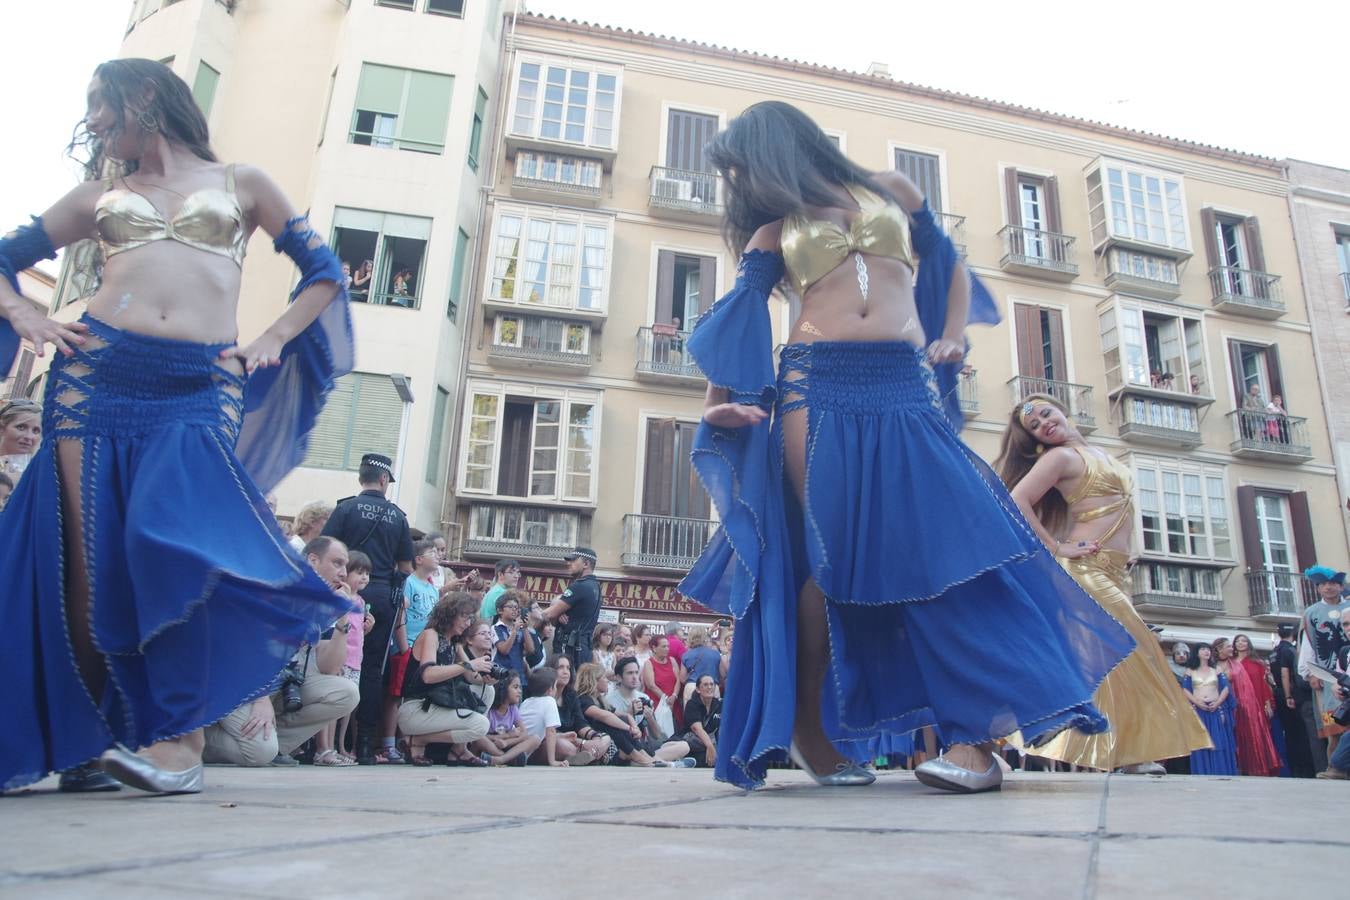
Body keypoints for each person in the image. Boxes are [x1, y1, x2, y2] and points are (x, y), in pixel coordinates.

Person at [677, 102, 1133, 792]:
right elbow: (740, 311)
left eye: (745, 163)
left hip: (903, 385)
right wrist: (718, 404)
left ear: (778, 148)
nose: (744, 179)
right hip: (813, 385)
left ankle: (975, 741)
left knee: (943, 548)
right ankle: (810, 732)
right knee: (819, 560)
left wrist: (949, 334)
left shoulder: (891, 189)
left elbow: (948, 263)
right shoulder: (775, 228)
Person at [0, 58, 355, 795]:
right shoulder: (102, 194)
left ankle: (179, 739)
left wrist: (274, 337)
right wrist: (24, 311)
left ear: (146, 96)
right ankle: (87, 742)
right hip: (97, 376)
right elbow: (6, 259)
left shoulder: (244, 183)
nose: (94, 120)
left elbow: (325, 272)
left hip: (199, 385)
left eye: (101, 104)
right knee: (89, 567)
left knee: (175, 547)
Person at [995, 395, 1211, 775]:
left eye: (1047, 413)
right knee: (1129, 652)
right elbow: (1016, 500)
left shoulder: (1101, 454)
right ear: (1035, 439)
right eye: (1034, 425)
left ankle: (1122, 751)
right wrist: (1056, 545)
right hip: (1086, 571)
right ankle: (1130, 755)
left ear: (1062, 410)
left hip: (1112, 573)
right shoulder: (1058, 458)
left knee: (1108, 662)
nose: (1044, 422)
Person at [202, 537, 361, 769]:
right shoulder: (281, 588)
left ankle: (272, 747)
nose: (344, 573)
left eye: (345, 565)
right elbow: (246, 647)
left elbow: (330, 667)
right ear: (313, 560)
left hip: (280, 682)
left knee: (346, 692)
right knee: (259, 753)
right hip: (240, 682)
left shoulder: (320, 600)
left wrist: (342, 620)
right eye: (337, 563)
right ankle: (199, 739)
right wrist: (261, 698)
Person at [322, 452, 414, 764]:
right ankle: (364, 744)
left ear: (362, 478)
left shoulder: (345, 508)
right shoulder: (398, 516)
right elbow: (406, 565)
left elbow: (325, 549)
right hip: (382, 592)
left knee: (336, 662)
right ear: (384, 479)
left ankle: (331, 743)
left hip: (343, 590)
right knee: (372, 671)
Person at [397, 593, 495, 767]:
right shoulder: (431, 635)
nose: (468, 623)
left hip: (435, 708)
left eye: (471, 618)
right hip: (416, 709)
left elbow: (471, 678)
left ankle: (459, 750)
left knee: (487, 692)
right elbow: (428, 675)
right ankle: (417, 740)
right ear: (450, 614)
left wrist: (488, 677)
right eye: (464, 616)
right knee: (480, 726)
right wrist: (469, 664)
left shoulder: (454, 643)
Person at [1300, 566, 1349, 775]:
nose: (1329, 588)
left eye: (1333, 584)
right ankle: (1334, 768)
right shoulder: (1311, 613)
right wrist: (1309, 672)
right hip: (1327, 675)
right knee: (1333, 728)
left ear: (1341, 586)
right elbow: (1308, 644)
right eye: (1324, 584)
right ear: (1318, 588)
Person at [1215, 635, 1280, 776]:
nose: (1240, 643)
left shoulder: (1257, 662)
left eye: (1243, 640)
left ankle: (1257, 766)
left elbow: (1264, 685)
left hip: (1254, 703)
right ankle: (1239, 766)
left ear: (1249, 644)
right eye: (1237, 641)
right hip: (1233, 703)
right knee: (1237, 734)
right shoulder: (1229, 662)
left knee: (1255, 734)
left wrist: (1267, 703)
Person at [333, 550, 375, 762]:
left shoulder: (360, 601)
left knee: (350, 705)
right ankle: (331, 745)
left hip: (355, 659)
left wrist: (367, 629)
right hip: (340, 658)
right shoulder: (340, 596)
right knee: (335, 705)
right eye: (359, 572)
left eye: (367, 573)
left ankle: (342, 744)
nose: (364, 577)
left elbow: (356, 632)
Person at [1181, 644, 1239, 775]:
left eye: (1208, 649)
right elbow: (1185, 689)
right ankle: (1203, 771)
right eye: (1202, 649)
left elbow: (1225, 688)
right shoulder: (1190, 671)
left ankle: (1220, 771)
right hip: (1198, 710)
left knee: (1217, 740)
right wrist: (1197, 702)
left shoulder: (1216, 670)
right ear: (1196, 653)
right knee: (1201, 741)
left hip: (1215, 710)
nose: (1206, 651)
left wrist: (1218, 703)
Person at [542, 547, 601, 666]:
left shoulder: (580, 585)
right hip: (583, 647)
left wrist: (529, 614)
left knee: (564, 682)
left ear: (586, 564)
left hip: (570, 647)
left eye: (574, 560)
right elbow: (554, 619)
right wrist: (558, 615)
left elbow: (548, 614)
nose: (569, 564)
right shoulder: (596, 586)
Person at [547, 653, 609, 766]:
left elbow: (581, 724)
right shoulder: (545, 697)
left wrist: (594, 737)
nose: (565, 672)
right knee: (564, 746)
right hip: (553, 741)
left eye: (568, 668)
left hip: (575, 740)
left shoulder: (571, 695)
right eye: (560, 667)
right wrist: (582, 742)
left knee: (605, 738)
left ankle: (587, 756)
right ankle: (592, 756)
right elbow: (548, 732)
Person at [1271, 623, 1315, 777]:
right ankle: (1305, 769)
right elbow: (1285, 674)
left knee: (1290, 735)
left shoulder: (1274, 651)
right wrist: (1289, 695)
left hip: (1279, 695)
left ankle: (1295, 768)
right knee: (1301, 734)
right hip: (1293, 696)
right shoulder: (1289, 650)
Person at [480, 672, 540, 767]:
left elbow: (524, 733)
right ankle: (510, 759)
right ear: (503, 689)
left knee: (535, 739)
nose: (519, 691)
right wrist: (506, 736)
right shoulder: (490, 710)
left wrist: (506, 742)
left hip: (506, 745)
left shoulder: (513, 709)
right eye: (515, 687)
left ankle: (501, 759)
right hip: (492, 745)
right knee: (479, 738)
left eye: (520, 687)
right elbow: (481, 735)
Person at [519, 668, 569, 767]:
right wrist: (552, 761)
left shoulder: (526, 702)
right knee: (565, 746)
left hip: (517, 745)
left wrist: (561, 735)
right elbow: (551, 731)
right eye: (555, 686)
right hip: (528, 748)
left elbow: (534, 727)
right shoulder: (549, 701)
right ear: (550, 690)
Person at [642, 634, 687, 734]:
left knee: (677, 732)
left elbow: (678, 680)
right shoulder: (648, 663)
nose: (667, 649)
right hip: (658, 703)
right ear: (654, 648)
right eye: (663, 646)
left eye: (668, 646)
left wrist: (674, 696)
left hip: (673, 702)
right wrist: (666, 699)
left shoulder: (672, 660)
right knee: (660, 734)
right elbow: (651, 685)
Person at [680, 674, 722, 768]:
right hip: (690, 742)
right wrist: (710, 746)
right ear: (698, 689)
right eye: (705, 685)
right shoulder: (692, 704)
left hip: (707, 745)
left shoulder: (719, 704)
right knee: (688, 750)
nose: (709, 687)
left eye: (712, 684)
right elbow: (696, 729)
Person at [492, 590, 534, 683]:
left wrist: (525, 628)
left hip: (519, 676)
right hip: (502, 675)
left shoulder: (520, 628)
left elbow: (531, 650)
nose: (514, 609)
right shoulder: (496, 628)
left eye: (516, 607)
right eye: (510, 607)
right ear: (499, 610)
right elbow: (504, 650)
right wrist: (514, 631)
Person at [0, 397, 41, 480]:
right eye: (21, 427)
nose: (29, 436)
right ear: (1, 428)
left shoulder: (41, 475)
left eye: (36, 431)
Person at [681, 626, 722, 702]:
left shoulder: (686, 655)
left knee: (691, 713)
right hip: (711, 687)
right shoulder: (716, 654)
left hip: (692, 687)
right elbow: (721, 675)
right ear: (704, 637)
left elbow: (683, 679)